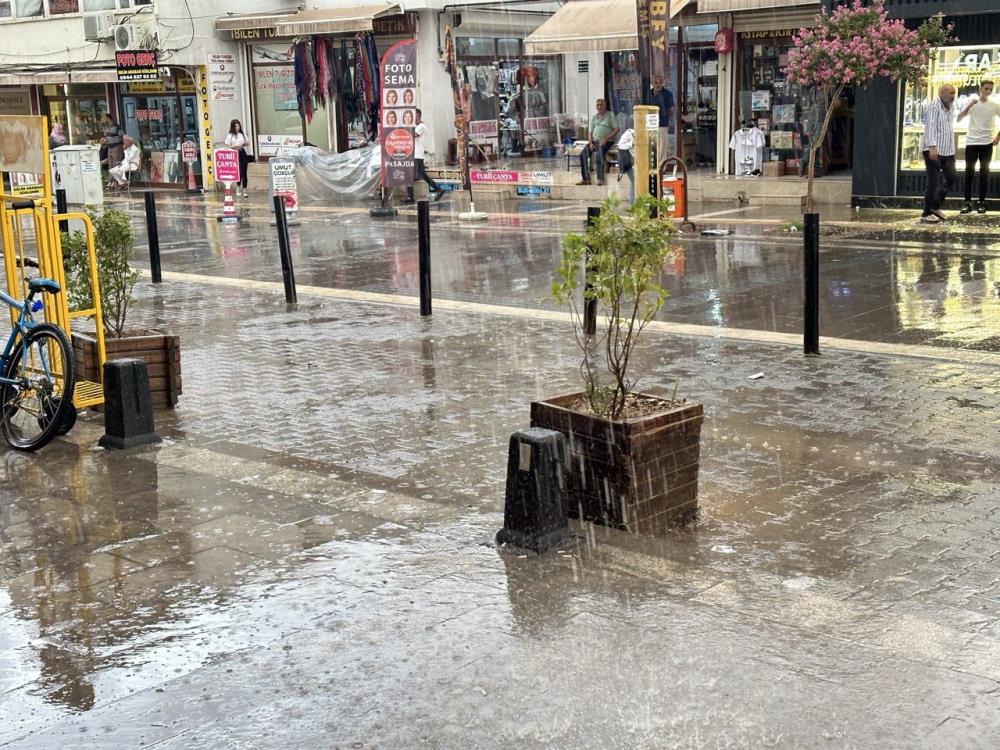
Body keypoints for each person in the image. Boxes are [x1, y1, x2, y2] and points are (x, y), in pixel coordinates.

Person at [957, 80, 1000, 214]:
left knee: (984, 173)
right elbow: (959, 118)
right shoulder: (972, 102)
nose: (988, 91)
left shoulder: (994, 104)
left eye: (991, 89)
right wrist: (970, 104)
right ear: (980, 88)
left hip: (986, 143)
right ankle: (967, 202)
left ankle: (981, 202)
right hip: (971, 142)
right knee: (969, 173)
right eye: (986, 88)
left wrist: (998, 137)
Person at [920, 84, 956, 224]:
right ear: (942, 93)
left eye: (954, 93)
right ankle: (927, 212)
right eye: (951, 92)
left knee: (951, 178)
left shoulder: (950, 107)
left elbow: (948, 129)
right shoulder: (934, 106)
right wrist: (932, 147)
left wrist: (952, 149)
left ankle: (935, 206)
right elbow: (930, 126)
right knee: (933, 181)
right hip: (933, 149)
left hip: (948, 150)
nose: (953, 95)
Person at [578, 98, 619, 186]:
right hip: (594, 141)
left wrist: (606, 138)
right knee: (583, 153)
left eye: (601, 105)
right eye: (598, 105)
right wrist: (590, 143)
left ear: (605, 105)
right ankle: (586, 179)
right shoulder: (594, 118)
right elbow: (590, 132)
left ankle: (600, 179)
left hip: (607, 141)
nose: (599, 107)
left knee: (599, 152)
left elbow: (616, 129)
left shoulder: (610, 115)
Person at [407, 108, 444, 203]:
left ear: (418, 116)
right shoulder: (413, 125)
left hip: (417, 154)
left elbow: (413, 135)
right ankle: (438, 189)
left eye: (414, 115)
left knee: (413, 175)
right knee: (420, 175)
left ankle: (411, 197)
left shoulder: (422, 126)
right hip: (413, 154)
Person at [649, 75, 675, 160]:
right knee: (652, 146)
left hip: (662, 124)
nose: (658, 85)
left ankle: (661, 169)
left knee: (662, 147)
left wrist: (664, 116)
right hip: (650, 124)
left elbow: (671, 109)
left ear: (663, 83)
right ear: (652, 83)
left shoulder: (667, 94)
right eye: (656, 82)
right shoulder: (648, 93)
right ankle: (653, 168)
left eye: (660, 82)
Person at [225, 119, 250, 197]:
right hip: (235, 153)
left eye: (238, 126)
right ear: (233, 127)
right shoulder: (230, 135)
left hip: (242, 152)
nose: (237, 127)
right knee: (239, 172)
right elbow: (227, 145)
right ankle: (238, 187)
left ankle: (245, 190)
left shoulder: (242, 134)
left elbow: (248, 142)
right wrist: (234, 146)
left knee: (244, 171)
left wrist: (243, 144)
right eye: (235, 126)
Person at [616, 127, 635, 203]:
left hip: (636, 162)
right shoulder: (629, 133)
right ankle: (632, 200)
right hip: (629, 163)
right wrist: (631, 143)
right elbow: (620, 145)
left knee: (634, 181)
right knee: (634, 180)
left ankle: (632, 199)